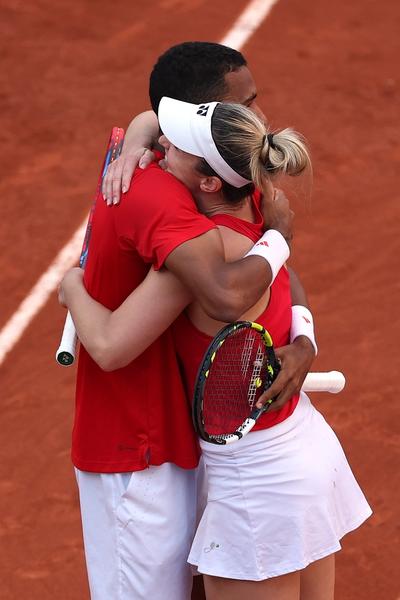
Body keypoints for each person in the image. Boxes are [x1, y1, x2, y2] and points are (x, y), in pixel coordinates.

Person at [60, 97, 371, 600]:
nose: (163, 147)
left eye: (175, 147)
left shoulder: (202, 260)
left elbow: (109, 346)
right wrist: (305, 336)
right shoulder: (256, 212)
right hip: (304, 449)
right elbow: (289, 279)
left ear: (208, 182)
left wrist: (73, 287)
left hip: (257, 485)